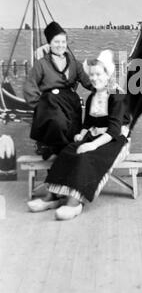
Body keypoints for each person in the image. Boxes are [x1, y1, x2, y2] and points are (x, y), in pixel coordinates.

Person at [27, 50, 130, 221]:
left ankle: (74, 203)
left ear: (107, 74)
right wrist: (82, 134)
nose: (94, 78)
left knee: (86, 156)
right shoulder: (92, 97)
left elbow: (113, 130)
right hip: (94, 135)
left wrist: (91, 145)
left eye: (98, 74)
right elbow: (88, 122)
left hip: (116, 140)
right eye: (91, 75)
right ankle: (52, 197)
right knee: (67, 151)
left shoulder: (117, 96)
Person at [23, 21, 93, 159]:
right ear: (49, 43)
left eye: (63, 42)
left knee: (72, 138)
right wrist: (39, 105)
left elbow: (88, 82)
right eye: (56, 42)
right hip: (51, 104)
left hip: (71, 104)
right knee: (58, 123)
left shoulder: (74, 64)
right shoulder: (41, 64)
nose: (60, 45)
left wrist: (108, 89)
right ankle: (52, 151)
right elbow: (29, 86)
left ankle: (63, 166)